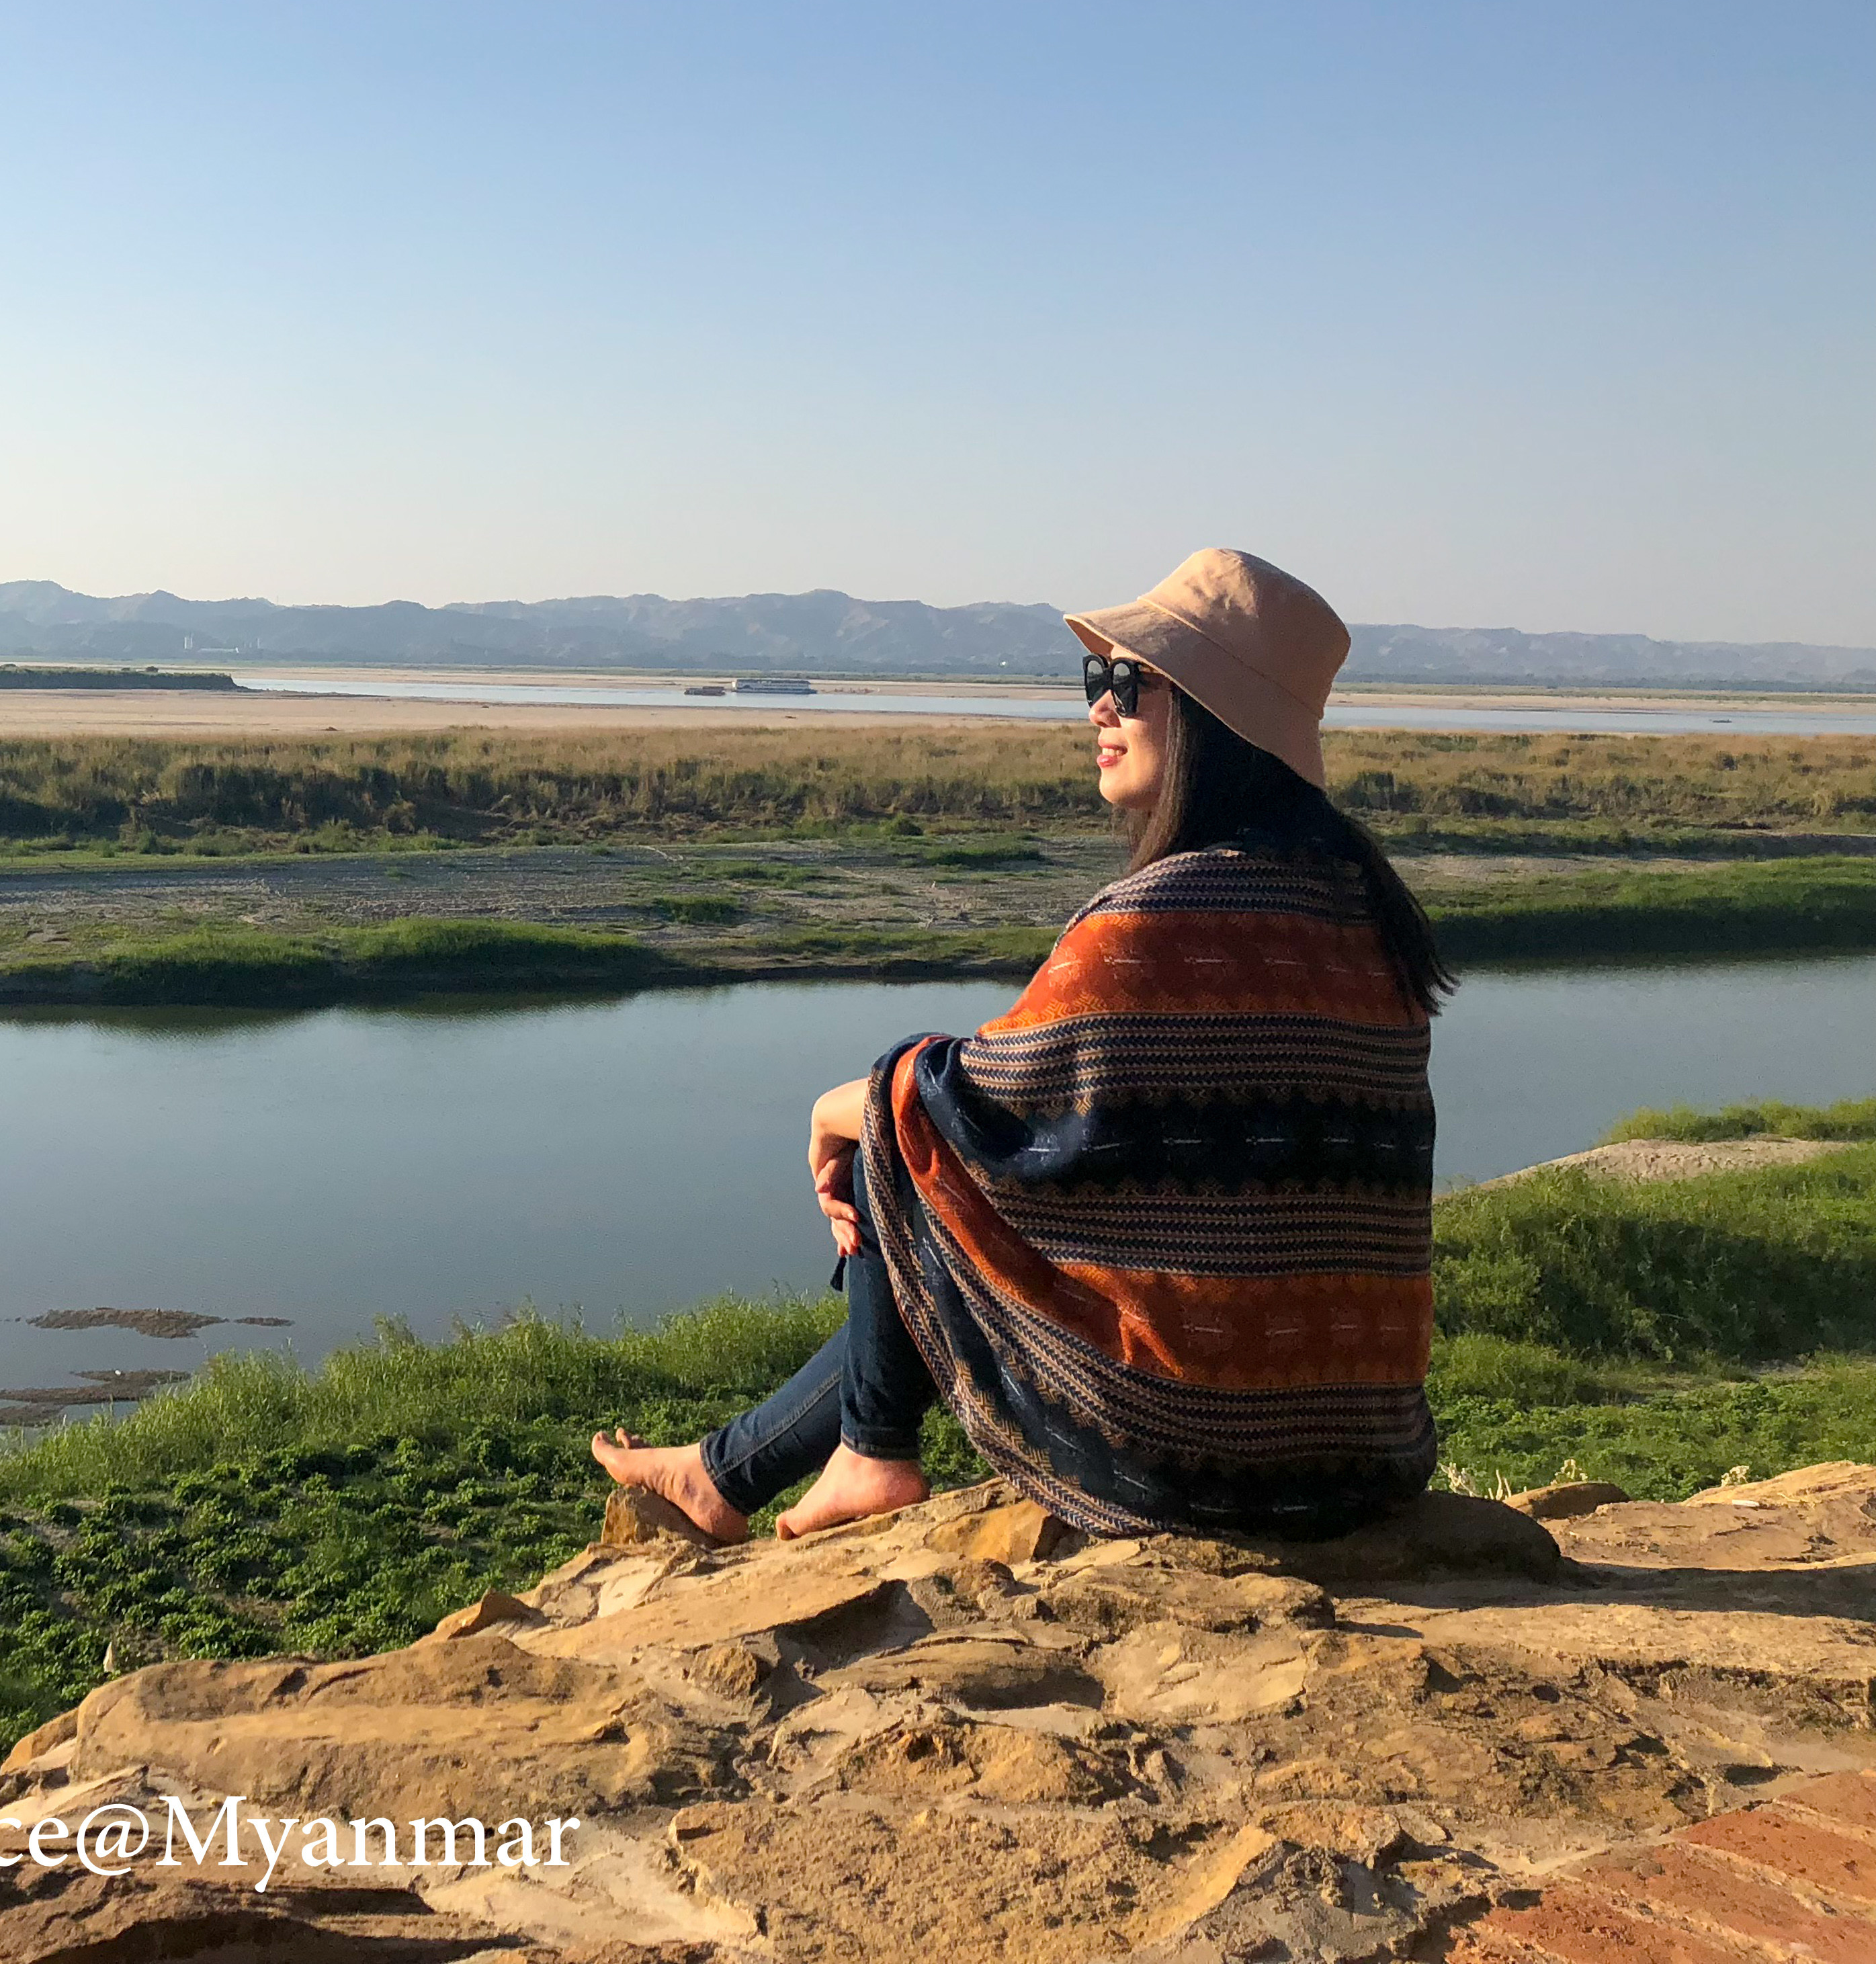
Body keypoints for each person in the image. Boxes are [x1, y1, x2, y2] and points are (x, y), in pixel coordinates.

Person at [595, 549, 1453, 1544]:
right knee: (922, 1112)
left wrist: (838, 1113)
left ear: (1215, 718)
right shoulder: (1369, 911)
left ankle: (870, 1451)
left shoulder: (1154, 922)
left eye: (1127, 681)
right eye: (1099, 679)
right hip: (1362, 1453)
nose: (1097, 705)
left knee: (907, 1117)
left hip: (1201, 1456)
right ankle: (725, 1470)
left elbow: (961, 1111)